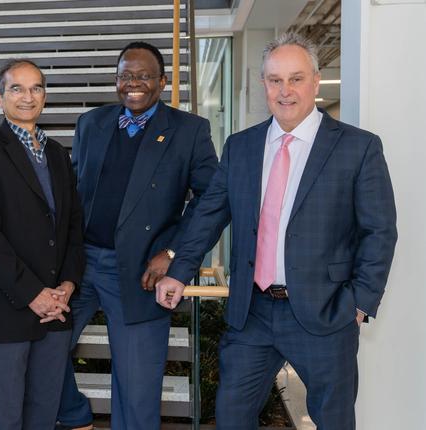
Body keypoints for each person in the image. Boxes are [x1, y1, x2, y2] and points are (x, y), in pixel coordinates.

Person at [156, 32, 397, 429]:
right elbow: (209, 215)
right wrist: (179, 270)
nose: (285, 91)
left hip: (326, 311)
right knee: (232, 415)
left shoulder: (358, 147)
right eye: (275, 80)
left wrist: (360, 301)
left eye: (296, 78)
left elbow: (380, 231)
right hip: (252, 311)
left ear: (316, 82)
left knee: (334, 421)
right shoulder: (241, 146)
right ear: (263, 84)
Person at [57, 41, 218, 430]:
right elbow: (73, 193)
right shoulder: (91, 124)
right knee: (41, 349)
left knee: (137, 390)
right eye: (125, 75)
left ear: (162, 82)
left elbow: (212, 201)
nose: (133, 84)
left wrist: (172, 251)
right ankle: (75, 413)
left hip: (140, 271)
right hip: (79, 264)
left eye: (144, 76)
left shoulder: (189, 131)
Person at [0, 58, 85, 430]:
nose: (28, 96)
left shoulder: (59, 155)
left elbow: (73, 228)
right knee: (7, 415)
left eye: (36, 88)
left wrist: (67, 285)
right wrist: (33, 293)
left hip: (56, 311)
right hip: (8, 307)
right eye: (17, 88)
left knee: (44, 413)